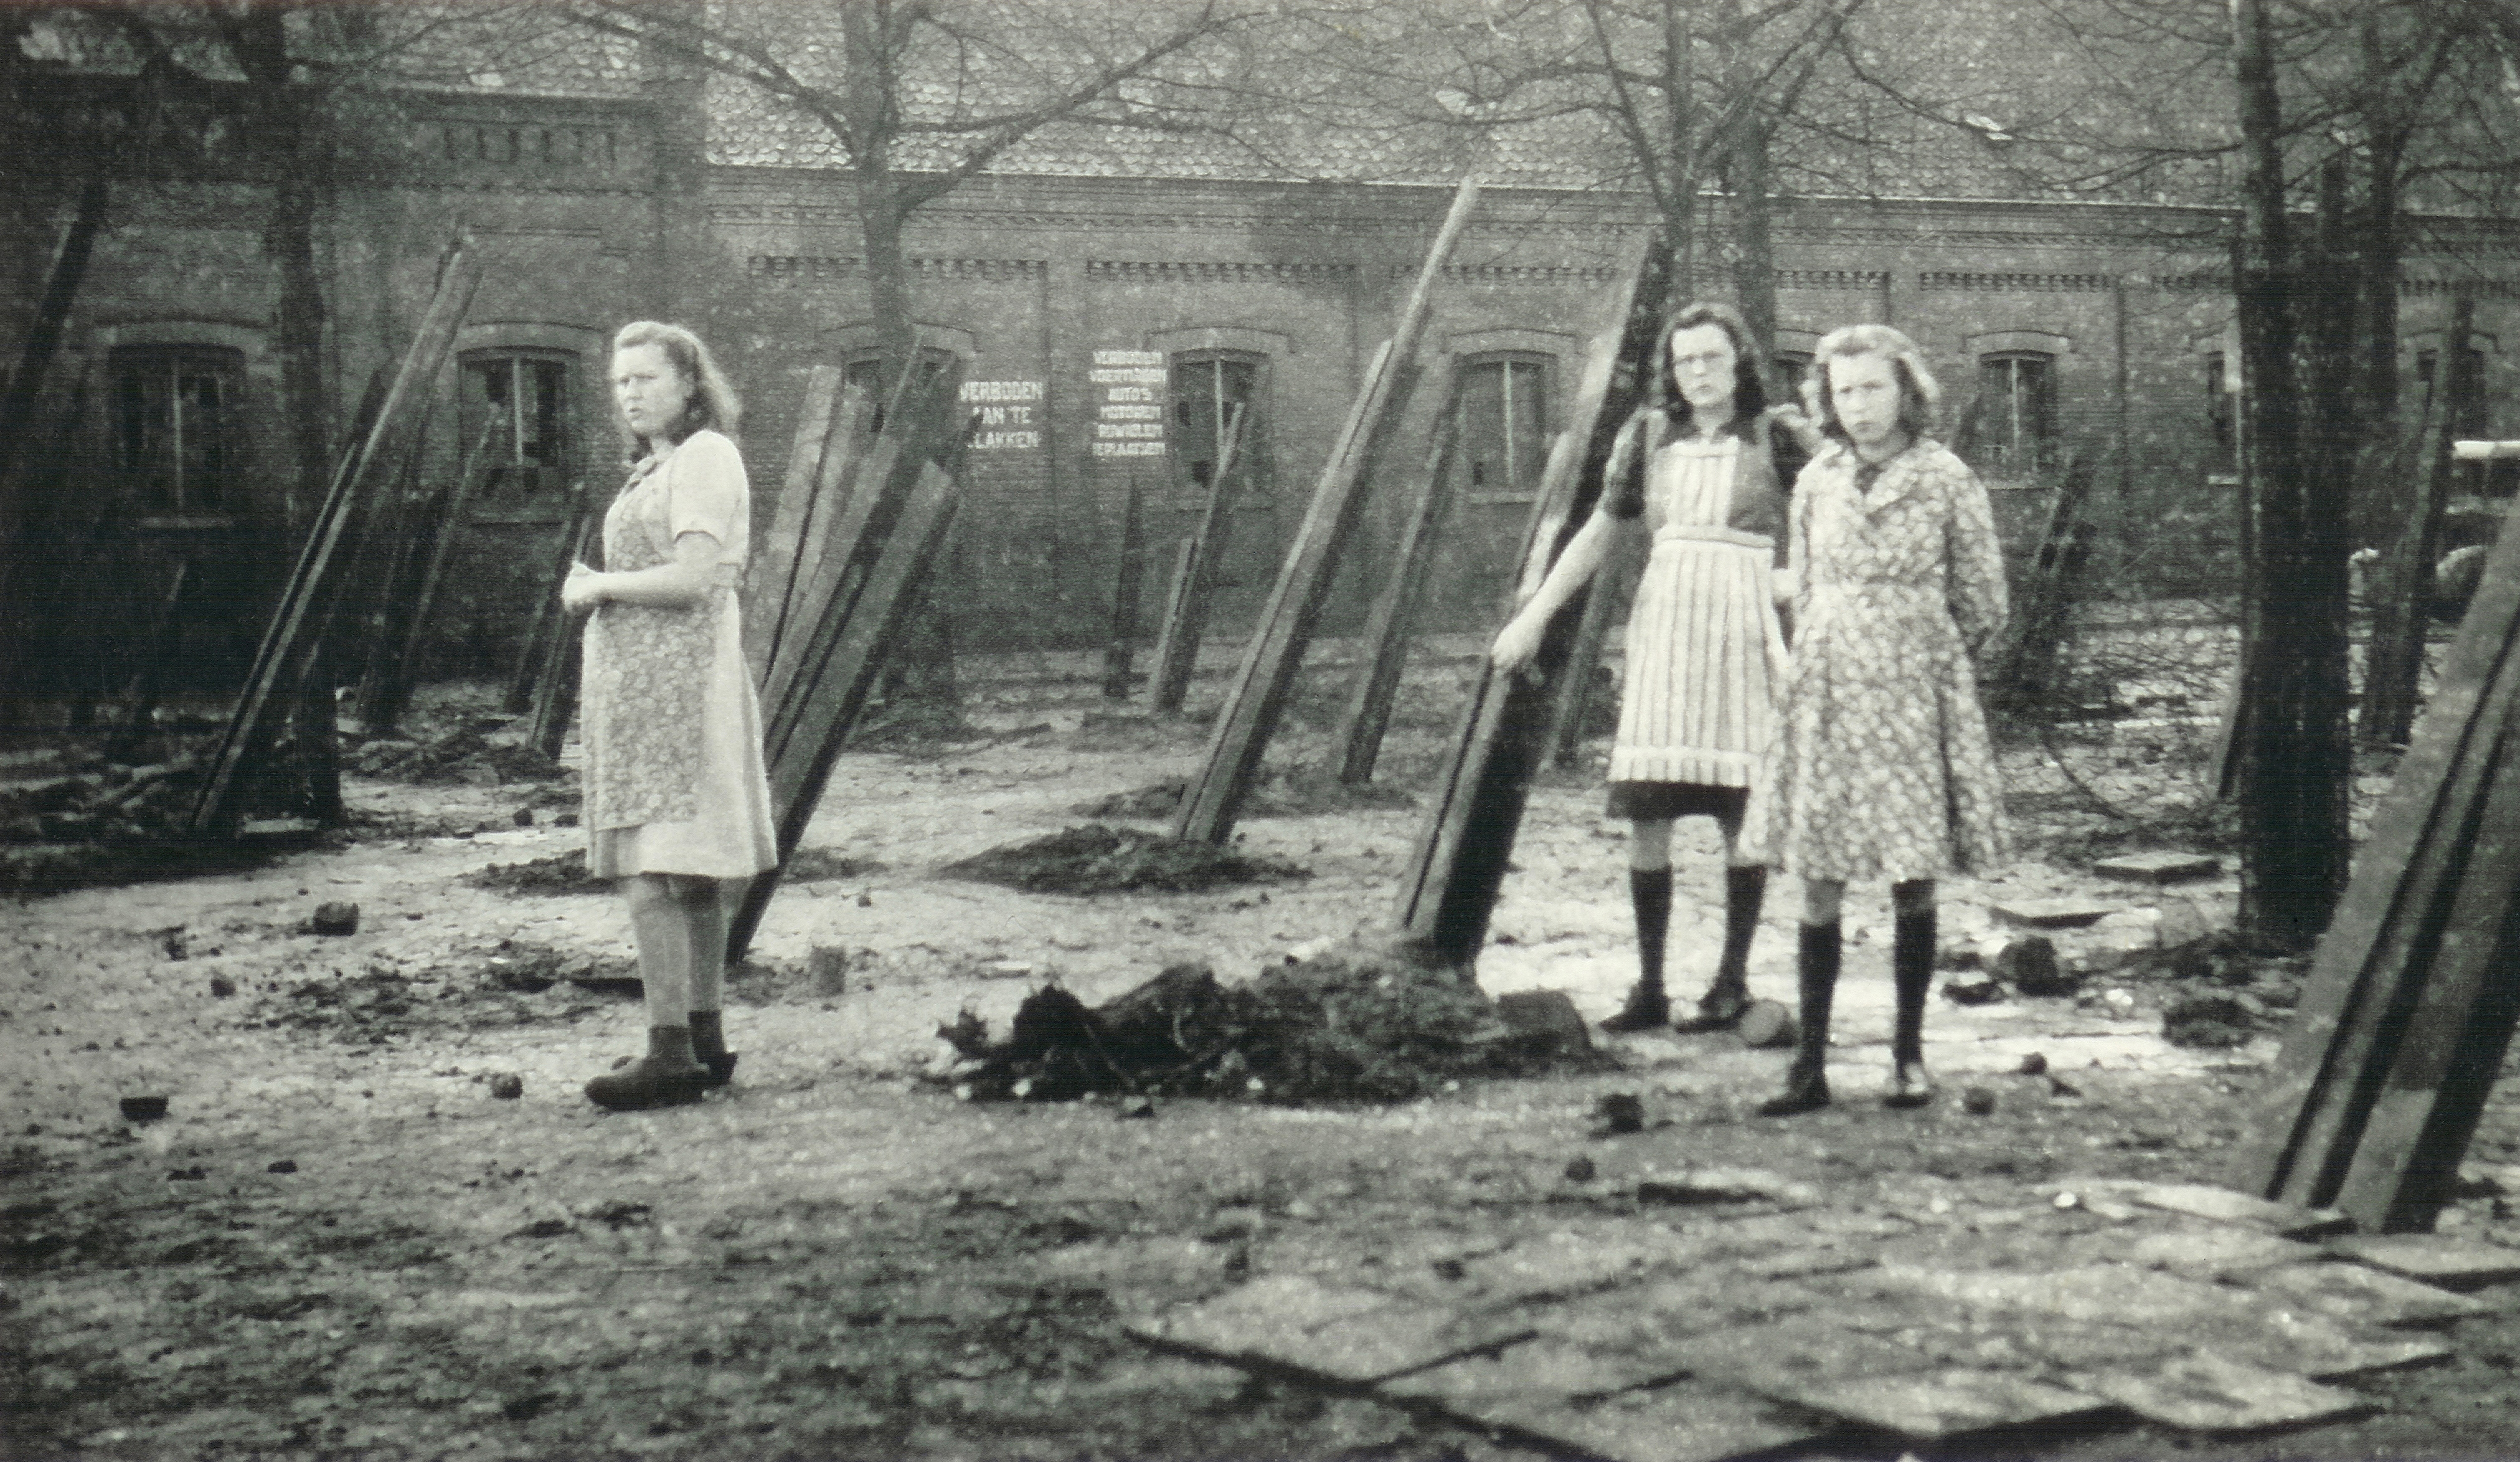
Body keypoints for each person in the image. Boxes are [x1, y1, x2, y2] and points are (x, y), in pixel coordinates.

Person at [1492, 301, 1805, 1034]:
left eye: (1712, 359)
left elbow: (1830, 508)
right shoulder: (1647, 437)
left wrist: (1801, 579)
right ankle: (1650, 986)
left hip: (1743, 630)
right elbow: (1600, 532)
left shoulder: (1777, 435)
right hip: (1667, 630)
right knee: (1649, 812)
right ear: (1672, 369)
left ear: (1739, 364)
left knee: (1742, 815)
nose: (1697, 373)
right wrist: (1533, 616)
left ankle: (1729, 984)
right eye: (1685, 360)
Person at [1744, 322, 2009, 1116]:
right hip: (1825, 691)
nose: (1858, 406)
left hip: (1911, 694)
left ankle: (1907, 1057)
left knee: (1910, 875)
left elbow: (1985, 602)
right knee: (1818, 877)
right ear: (1826, 399)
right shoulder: (1818, 480)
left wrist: (1916, 652)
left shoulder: (1945, 478)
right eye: (1844, 390)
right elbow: (1804, 582)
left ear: (1906, 392)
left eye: (1873, 388)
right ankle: (1809, 1069)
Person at [562, 321, 777, 1111]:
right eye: (621, 383)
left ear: (690, 384)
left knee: (655, 868)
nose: (630, 394)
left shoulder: (706, 457)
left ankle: (667, 1051)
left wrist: (596, 587)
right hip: (648, 686)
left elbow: (692, 576)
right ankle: (704, 1038)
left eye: (647, 379)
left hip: (682, 686)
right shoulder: (653, 468)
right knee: (683, 873)